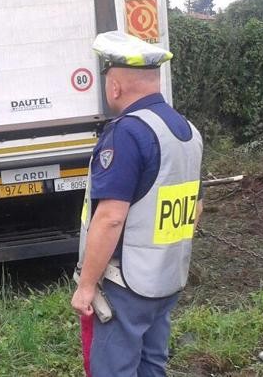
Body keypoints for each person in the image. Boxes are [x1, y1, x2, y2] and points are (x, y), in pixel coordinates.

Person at [71, 32, 204, 377]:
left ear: (114, 86)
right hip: (166, 279)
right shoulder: (186, 130)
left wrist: (86, 286)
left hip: (127, 285)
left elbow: (111, 218)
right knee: (152, 366)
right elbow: (196, 207)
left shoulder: (127, 133)